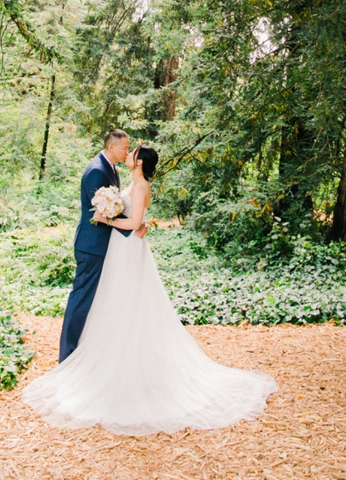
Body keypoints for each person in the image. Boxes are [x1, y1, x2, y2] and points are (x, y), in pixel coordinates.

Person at [23, 145, 277, 434]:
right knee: (115, 303)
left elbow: (132, 222)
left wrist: (106, 218)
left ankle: (128, 367)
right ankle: (112, 364)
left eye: (133, 152)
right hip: (120, 248)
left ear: (140, 162)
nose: (129, 153)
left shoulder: (141, 184)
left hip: (128, 249)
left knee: (127, 303)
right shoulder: (133, 180)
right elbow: (135, 218)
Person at [58, 128, 134, 361]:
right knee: (81, 298)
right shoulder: (96, 171)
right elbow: (102, 212)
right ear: (112, 147)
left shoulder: (110, 168)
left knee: (94, 298)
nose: (126, 152)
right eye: (125, 148)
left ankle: (86, 349)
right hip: (91, 246)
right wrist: (132, 225)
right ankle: (67, 354)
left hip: (102, 245)